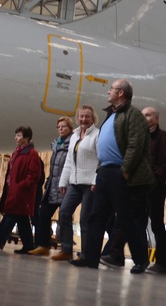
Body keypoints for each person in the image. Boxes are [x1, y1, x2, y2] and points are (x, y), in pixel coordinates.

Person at [71, 79, 154, 273]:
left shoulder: (133, 115)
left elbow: (136, 144)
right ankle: (90, 258)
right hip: (104, 172)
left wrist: (125, 169)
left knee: (125, 218)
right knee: (96, 216)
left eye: (112, 89)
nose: (108, 92)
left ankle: (141, 260)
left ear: (121, 93)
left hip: (120, 172)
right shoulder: (112, 115)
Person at [0, 125, 44, 253]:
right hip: (13, 190)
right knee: (22, 219)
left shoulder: (32, 154)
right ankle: (29, 245)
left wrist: (20, 186)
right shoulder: (17, 152)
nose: (16, 138)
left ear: (27, 138)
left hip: (21, 193)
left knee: (10, 216)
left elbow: (34, 176)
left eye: (19, 135)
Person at [54, 105, 99, 262]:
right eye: (81, 116)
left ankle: (86, 254)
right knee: (64, 212)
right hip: (74, 182)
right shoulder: (74, 135)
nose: (83, 119)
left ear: (93, 118)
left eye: (87, 116)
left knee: (85, 218)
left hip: (89, 184)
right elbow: (68, 160)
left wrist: (95, 180)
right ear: (77, 118)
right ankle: (66, 249)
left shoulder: (97, 135)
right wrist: (63, 181)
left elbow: (101, 160)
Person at [29, 117, 73, 256]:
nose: (60, 129)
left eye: (64, 126)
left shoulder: (72, 145)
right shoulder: (57, 146)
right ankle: (43, 245)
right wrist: (49, 181)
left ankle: (66, 249)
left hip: (65, 186)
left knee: (64, 216)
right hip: (53, 185)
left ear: (70, 128)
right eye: (58, 126)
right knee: (43, 214)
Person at [142, 106, 166, 273]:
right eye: (142, 115)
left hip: (154, 187)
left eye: (148, 115)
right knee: (137, 223)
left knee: (156, 224)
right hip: (139, 186)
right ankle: (140, 258)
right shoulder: (140, 136)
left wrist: (154, 174)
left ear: (156, 119)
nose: (144, 117)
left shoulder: (163, 137)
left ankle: (162, 262)